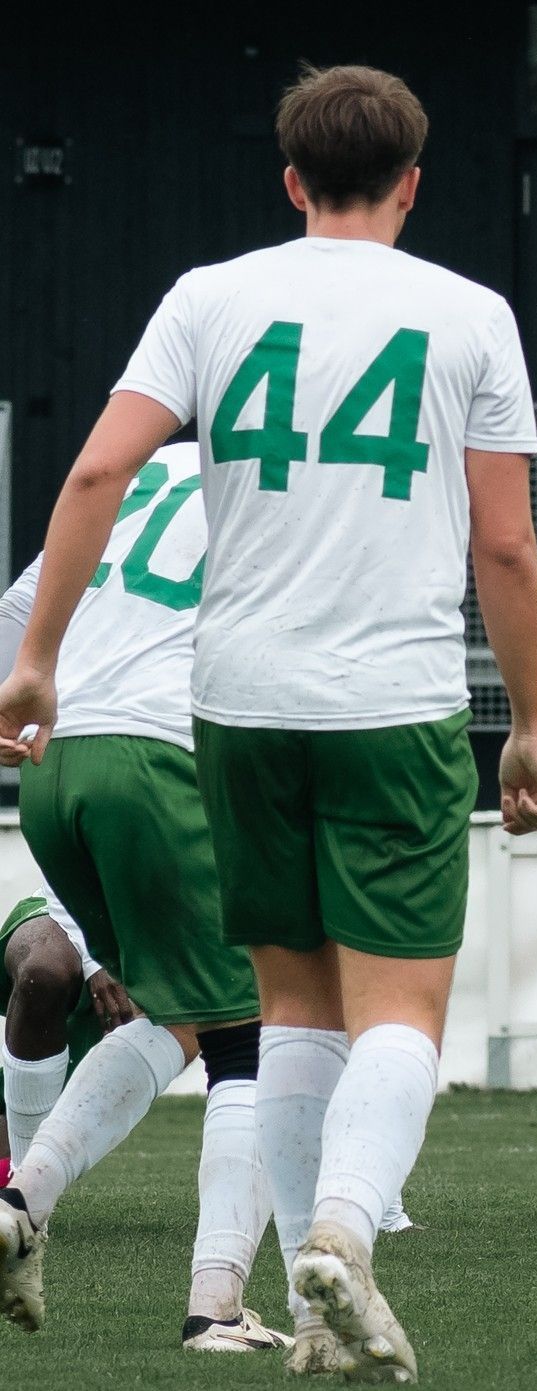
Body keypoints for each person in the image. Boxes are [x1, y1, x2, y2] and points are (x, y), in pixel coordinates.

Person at [0, 65, 537, 1381]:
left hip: (231, 710)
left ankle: (300, 1300)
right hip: (392, 698)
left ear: (293, 180)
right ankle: (341, 1236)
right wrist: (531, 722)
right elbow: (506, 544)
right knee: (400, 1009)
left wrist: (33, 660)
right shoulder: (470, 313)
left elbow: (96, 470)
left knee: (288, 1011)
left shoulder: (210, 298)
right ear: (416, 182)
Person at [0, 444, 289, 1351]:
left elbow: (21, 606)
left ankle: (19, 1203)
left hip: (58, 764)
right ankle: (216, 1307)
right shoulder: (294, 474)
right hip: (161, 760)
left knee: (174, 1016)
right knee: (259, 1039)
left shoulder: (154, 463)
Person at [1, 890, 131, 1190]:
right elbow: (61, 869)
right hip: (73, 909)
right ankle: (24, 1187)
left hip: (183, 928)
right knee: (43, 972)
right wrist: (94, 960)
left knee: (238, 1039)